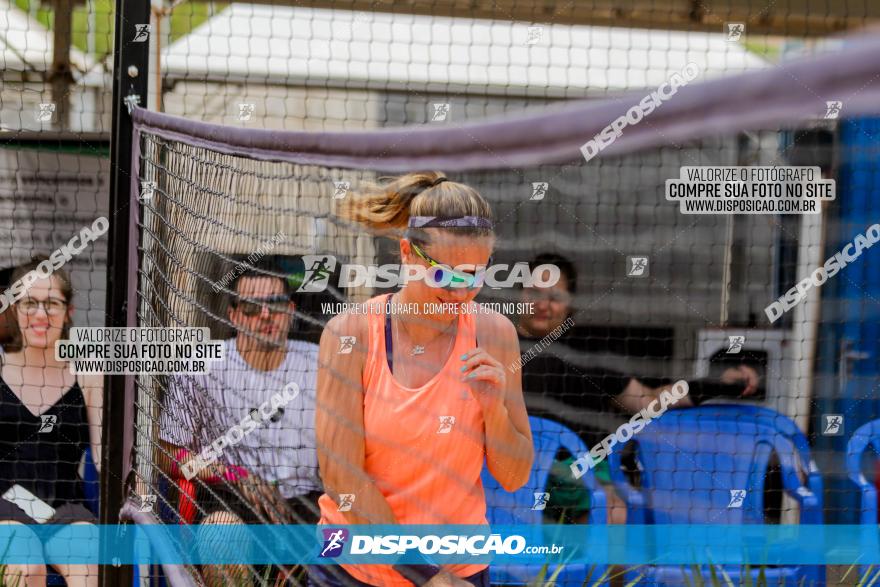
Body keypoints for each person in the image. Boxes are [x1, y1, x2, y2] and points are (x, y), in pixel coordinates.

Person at [312, 172, 534, 587]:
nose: (459, 292)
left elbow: (515, 475)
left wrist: (493, 408)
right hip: (354, 570)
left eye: (472, 276)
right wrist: (424, 574)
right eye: (444, 275)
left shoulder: (496, 334)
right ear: (407, 254)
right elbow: (341, 476)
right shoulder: (351, 335)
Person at [516, 253, 759, 524]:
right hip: (510, 476)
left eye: (554, 296)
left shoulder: (589, 354)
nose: (541, 304)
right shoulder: (494, 344)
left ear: (570, 303)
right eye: (533, 292)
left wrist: (715, 383)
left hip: (580, 477)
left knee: (615, 513)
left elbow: (647, 402)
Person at [158, 258, 322, 585]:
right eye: (250, 307)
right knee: (221, 538)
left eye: (275, 305)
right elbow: (168, 455)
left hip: (308, 502)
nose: (265, 316)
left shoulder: (321, 362)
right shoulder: (202, 366)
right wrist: (236, 475)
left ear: (290, 310)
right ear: (233, 315)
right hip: (230, 497)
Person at [0, 256, 102, 587]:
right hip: (4, 506)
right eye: (30, 303)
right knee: (24, 563)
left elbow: (105, 460)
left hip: (64, 508)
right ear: (15, 309)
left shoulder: (87, 374)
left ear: (68, 312)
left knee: (88, 565)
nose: (41, 315)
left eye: (52, 304)